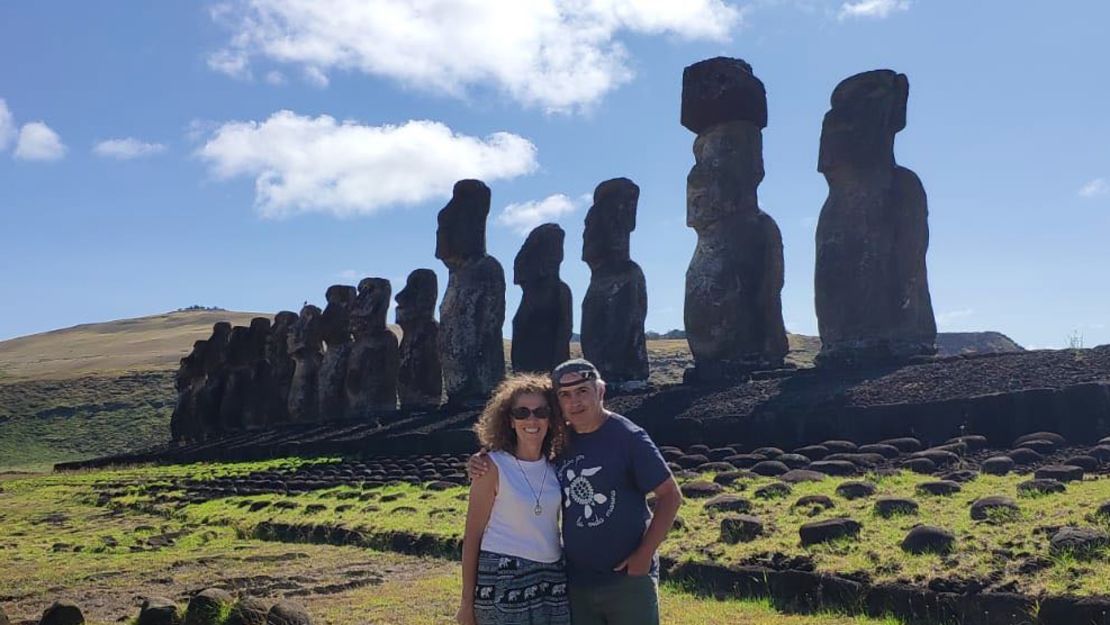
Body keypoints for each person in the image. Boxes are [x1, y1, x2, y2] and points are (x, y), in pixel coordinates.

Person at [469, 359, 682, 625]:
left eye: (583, 390)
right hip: (576, 581)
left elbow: (671, 495)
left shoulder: (628, 436)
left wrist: (644, 555)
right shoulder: (559, 442)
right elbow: (523, 452)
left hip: (626, 579)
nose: (575, 402)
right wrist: (482, 458)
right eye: (565, 395)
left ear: (600, 391)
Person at [457, 374, 571, 625]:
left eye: (541, 412)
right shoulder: (491, 466)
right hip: (503, 574)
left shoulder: (556, 467)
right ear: (509, 420)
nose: (532, 420)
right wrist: (466, 603)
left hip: (552, 575)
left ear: (551, 419)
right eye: (522, 412)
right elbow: (472, 535)